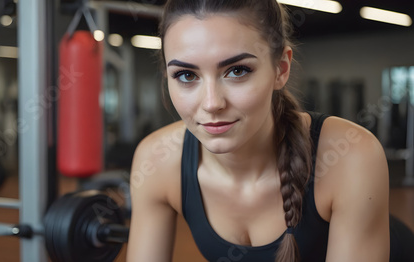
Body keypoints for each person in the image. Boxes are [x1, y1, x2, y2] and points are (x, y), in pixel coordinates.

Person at [126, 1, 414, 261]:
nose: (212, 104)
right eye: (186, 75)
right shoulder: (157, 160)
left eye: (237, 70)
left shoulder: (350, 156)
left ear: (281, 68)